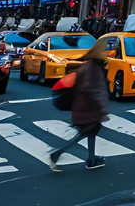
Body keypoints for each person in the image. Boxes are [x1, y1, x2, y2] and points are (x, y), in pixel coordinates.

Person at [48, 37, 110, 171]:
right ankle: (56, 154)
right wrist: (102, 109)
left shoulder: (87, 66)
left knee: (90, 132)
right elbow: (93, 91)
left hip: (83, 107)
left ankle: (92, 158)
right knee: (84, 133)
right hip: (88, 109)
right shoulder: (94, 70)